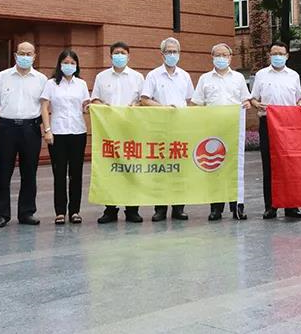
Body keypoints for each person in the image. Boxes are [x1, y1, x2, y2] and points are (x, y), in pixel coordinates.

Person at [191, 43, 252, 221]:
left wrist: (246, 104)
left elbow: (246, 100)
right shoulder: (205, 79)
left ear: (230, 57)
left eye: (225, 55)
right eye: (218, 55)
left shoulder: (239, 78)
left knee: (235, 167)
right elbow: (196, 103)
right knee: (215, 167)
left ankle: (237, 206)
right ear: (212, 57)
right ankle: (216, 208)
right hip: (213, 130)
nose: (221, 58)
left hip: (234, 129)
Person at [0, 41, 48, 227]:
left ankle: (27, 212)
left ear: (34, 56)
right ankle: (1, 214)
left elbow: (45, 107)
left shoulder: (41, 79)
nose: (25, 57)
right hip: (6, 128)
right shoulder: (2, 77)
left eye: (28, 54)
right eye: (21, 53)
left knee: (29, 172)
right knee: (3, 172)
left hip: (31, 128)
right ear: (15, 55)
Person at [141, 37, 194, 222]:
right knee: (161, 169)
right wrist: (163, 108)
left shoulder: (185, 76)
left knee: (180, 169)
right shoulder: (153, 75)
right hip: (159, 127)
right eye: (169, 51)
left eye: (175, 51)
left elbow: (190, 100)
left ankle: (179, 208)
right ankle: (160, 209)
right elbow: (144, 99)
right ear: (162, 54)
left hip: (180, 128)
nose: (172, 54)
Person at [250, 42, 301, 220]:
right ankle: (270, 206)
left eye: (281, 53)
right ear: (269, 55)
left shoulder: (294, 76)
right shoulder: (261, 75)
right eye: (274, 53)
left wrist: (300, 105)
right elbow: (253, 99)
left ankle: (291, 206)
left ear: (287, 56)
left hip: (289, 125)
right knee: (269, 165)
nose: (278, 56)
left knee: (290, 165)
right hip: (268, 122)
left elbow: (299, 99)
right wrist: (257, 104)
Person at [92, 42, 145, 224]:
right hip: (108, 131)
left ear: (129, 56)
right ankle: (110, 209)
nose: (119, 56)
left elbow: (143, 101)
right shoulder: (101, 77)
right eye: (116, 53)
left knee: (132, 169)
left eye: (123, 53)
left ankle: (132, 209)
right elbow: (95, 99)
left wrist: (136, 105)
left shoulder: (137, 77)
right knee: (110, 169)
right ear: (110, 56)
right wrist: (103, 105)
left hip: (131, 130)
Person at [41, 49, 90, 225]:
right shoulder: (51, 84)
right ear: (60, 64)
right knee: (59, 173)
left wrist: (91, 107)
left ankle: (75, 211)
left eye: (72, 63)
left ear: (77, 66)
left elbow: (85, 106)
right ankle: (60, 211)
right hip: (58, 133)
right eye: (66, 62)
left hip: (78, 132)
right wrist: (47, 130)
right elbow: (44, 107)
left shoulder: (81, 84)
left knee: (76, 173)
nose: (69, 66)